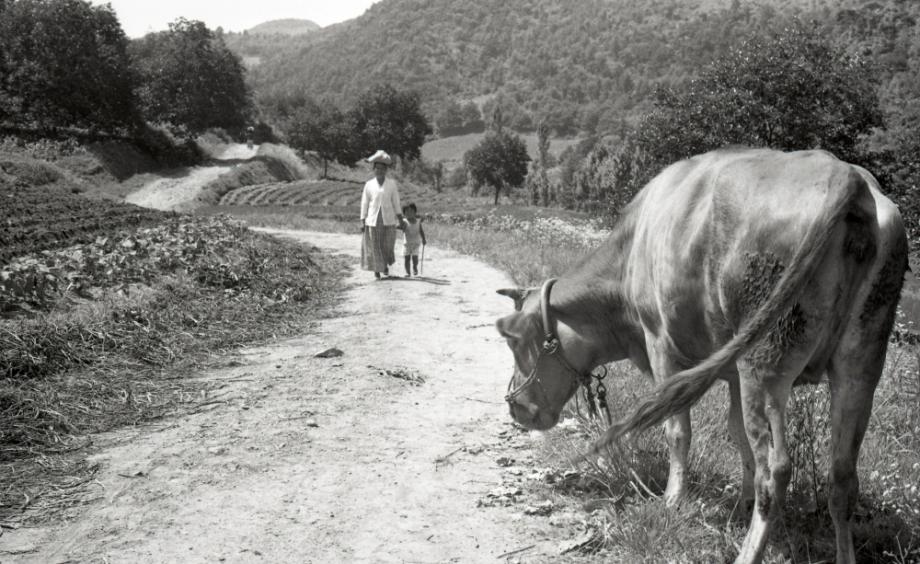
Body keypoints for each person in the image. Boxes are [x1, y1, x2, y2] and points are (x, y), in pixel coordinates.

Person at [360, 150, 402, 279]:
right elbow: (364, 203)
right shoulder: (369, 184)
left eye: (382, 168)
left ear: (386, 170)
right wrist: (362, 220)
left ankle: (384, 264)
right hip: (373, 219)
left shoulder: (391, 184)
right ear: (374, 169)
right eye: (377, 168)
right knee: (375, 245)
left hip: (388, 219)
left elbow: (396, 202)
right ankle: (377, 269)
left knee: (387, 244)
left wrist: (400, 218)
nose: (379, 171)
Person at [398, 203, 426, 277]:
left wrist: (424, 239)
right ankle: (407, 272)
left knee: (415, 258)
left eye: (411, 211)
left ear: (415, 212)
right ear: (404, 214)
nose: (409, 213)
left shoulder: (418, 221)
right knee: (406, 259)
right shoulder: (404, 221)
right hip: (406, 244)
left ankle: (415, 267)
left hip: (416, 244)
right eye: (406, 212)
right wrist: (396, 226)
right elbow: (399, 226)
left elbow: (421, 230)